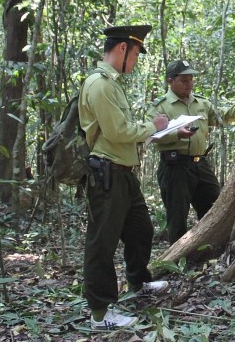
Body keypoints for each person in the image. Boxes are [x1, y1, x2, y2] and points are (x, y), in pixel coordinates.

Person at [79, 25, 171, 330]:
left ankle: (138, 281)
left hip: (123, 173)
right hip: (107, 175)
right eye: (135, 54)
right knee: (101, 244)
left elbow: (122, 128)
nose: (135, 61)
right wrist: (153, 126)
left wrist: (155, 129)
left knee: (140, 229)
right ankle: (100, 314)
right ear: (122, 49)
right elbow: (118, 132)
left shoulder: (113, 85)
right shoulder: (101, 85)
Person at [147, 60, 235, 244]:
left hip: (200, 164)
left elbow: (220, 117)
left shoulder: (201, 102)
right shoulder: (160, 107)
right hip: (174, 167)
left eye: (191, 80)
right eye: (184, 80)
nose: (189, 84)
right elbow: (151, 135)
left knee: (214, 207)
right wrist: (177, 133)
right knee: (177, 216)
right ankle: (177, 261)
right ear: (170, 81)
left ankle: (211, 251)